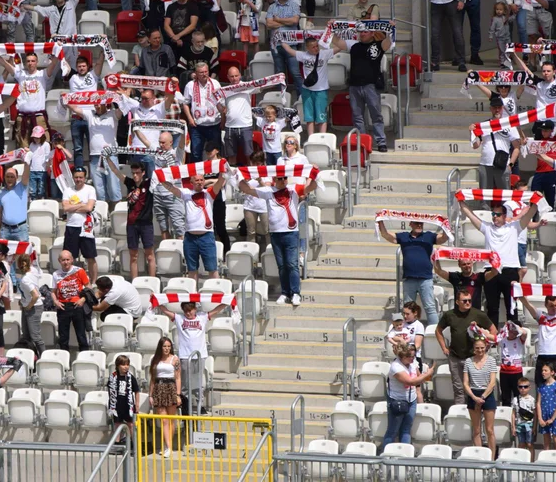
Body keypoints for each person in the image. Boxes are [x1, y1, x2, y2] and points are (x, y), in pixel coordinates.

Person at [240, 172, 317, 306]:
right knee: (281, 266)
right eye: (279, 179)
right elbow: (246, 189)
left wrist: (314, 174)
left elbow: (311, 187)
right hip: (275, 233)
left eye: (284, 178)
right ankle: (285, 292)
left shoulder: (293, 188)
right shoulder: (268, 191)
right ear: (274, 179)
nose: (283, 181)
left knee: (292, 264)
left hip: (291, 232)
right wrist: (238, 175)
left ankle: (295, 293)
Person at [156, 300, 231, 414]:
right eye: (186, 311)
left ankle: (199, 405)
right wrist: (157, 302)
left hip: (200, 355)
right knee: (185, 384)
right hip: (185, 356)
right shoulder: (180, 318)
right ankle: (186, 405)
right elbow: (166, 311)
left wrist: (226, 301)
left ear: (195, 309)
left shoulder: (202, 317)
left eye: (190, 311)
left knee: (198, 383)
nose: (188, 313)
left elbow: (215, 311)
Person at [330, 25, 393, 153]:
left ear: (372, 33)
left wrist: (389, 29)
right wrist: (332, 28)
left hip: (371, 86)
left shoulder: (378, 45)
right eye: (361, 32)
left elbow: (388, 42)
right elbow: (336, 41)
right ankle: (361, 141)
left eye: (365, 31)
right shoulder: (353, 45)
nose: (362, 34)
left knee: (376, 115)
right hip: (354, 86)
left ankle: (381, 142)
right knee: (357, 117)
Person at [379, 220, 447, 325]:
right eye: (416, 223)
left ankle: (434, 334)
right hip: (409, 279)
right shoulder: (404, 236)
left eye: (421, 223)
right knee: (408, 309)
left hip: (426, 278)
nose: (419, 225)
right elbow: (386, 235)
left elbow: (444, 238)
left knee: (430, 307)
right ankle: (408, 333)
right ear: (410, 224)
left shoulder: (429, 236)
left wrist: (445, 222)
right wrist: (380, 221)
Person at [436, 289, 497, 405]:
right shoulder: (449, 315)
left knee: (475, 387)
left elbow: (493, 330)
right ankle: (461, 412)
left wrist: (486, 345)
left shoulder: (478, 314)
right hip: (455, 356)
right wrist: (444, 347)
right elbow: (438, 330)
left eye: (469, 300)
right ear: (457, 302)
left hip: (473, 357)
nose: (468, 303)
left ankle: (474, 411)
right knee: (458, 388)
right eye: (464, 301)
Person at [383, 341, 433, 448]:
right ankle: (385, 455)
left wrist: (425, 376)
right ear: (402, 356)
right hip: (397, 401)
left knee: (406, 429)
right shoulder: (395, 367)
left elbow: (419, 379)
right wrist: (427, 375)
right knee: (393, 430)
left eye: (413, 356)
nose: (412, 358)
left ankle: (405, 455)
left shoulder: (413, 363)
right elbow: (410, 381)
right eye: (409, 356)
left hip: (411, 399)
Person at [469, 95, 520, 190]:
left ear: (502, 108)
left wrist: (511, 164)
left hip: (503, 164)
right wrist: (472, 133)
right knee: (485, 196)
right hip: (485, 163)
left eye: (499, 107)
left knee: (505, 196)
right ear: (490, 109)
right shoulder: (483, 125)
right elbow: (476, 146)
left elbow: (516, 147)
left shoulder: (509, 125)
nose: (497, 110)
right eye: (494, 108)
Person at [61, 167, 99, 282]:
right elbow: (65, 208)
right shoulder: (68, 190)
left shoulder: (90, 189)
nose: (78, 179)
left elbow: (89, 207)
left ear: (85, 178)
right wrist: (81, 205)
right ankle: (71, 281)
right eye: (76, 177)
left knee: (90, 257)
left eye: (81, 177)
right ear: (73, 177)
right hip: (71, 227)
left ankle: (93, 282)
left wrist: (75, 207)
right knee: (69, 257)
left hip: (86, 228)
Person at [463, 336, 499, 457]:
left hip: (487, 394)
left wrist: (482, 397)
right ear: (473, 348)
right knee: (477, 430)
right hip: (473, 394)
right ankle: (479, 456)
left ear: (486, 348)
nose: (480, 350)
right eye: (477, 348)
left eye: (482, 348)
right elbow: (465, 383)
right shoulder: (468, 361)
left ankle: (492, 457)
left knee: (490, 430)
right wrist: (474, 397)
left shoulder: (491, 361)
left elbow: (492, 382)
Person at [52, 250, 91, 352]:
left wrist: (83, 299)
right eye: (63, 260)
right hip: (63, 306)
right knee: (63, 337)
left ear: (72, 260)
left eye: (68, 259)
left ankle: (84, 357)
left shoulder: (79, 271)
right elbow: (53, 291)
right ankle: (64, 360)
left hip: (77, 305)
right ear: (59, 261)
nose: (66, 262)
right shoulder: (56, 274)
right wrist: (55, 301)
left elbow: (89, 287)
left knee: (81, 335)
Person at [149, 337, 181, 457]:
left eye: (169, 346)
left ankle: (168, 446)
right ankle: (168, 446)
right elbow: (152, 378)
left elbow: (178, 377)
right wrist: (150, 394)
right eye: (164, 346)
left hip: (171, 387)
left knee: (171, 419)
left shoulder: (175, 359)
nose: (167, 348)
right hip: (159, 387)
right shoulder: (154, 359)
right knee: (164, 420)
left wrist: (178, 394)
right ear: (160, 347)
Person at [108, 355, 140, 439]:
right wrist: (111, 406)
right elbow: (110, 392)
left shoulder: (131, 377)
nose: (126, 367)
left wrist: (137, 405)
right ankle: (117, 443)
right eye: (123, 365)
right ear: (118, 365)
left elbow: (137, 391)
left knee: (131, 424)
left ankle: (133, 444)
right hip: (117, 405)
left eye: (127, 365)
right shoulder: (113, 377)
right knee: (117, 424)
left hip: (128, 405)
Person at [537, 360, 556, 450]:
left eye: (546, 370)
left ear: (552, 372)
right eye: (542, 370)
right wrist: (540, 418)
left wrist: (552, 419)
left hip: (555, 416)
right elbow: (538, 403)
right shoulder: (541, 386)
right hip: (544, 415)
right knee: (546, 441)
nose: (543, 372)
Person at [512, 376, 537, 459]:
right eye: (521, 387)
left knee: (530, 444)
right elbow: (513, 414)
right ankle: (520, 460)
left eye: (525, 387)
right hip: (519, 425)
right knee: (521, 444)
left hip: (529, 425)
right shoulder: (515, 399)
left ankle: (531, 462)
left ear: (529, 388)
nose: (523, 389)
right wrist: (513, 427)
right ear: (518, 388)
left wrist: (534, 427)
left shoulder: (532, 400)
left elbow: (535, 414)